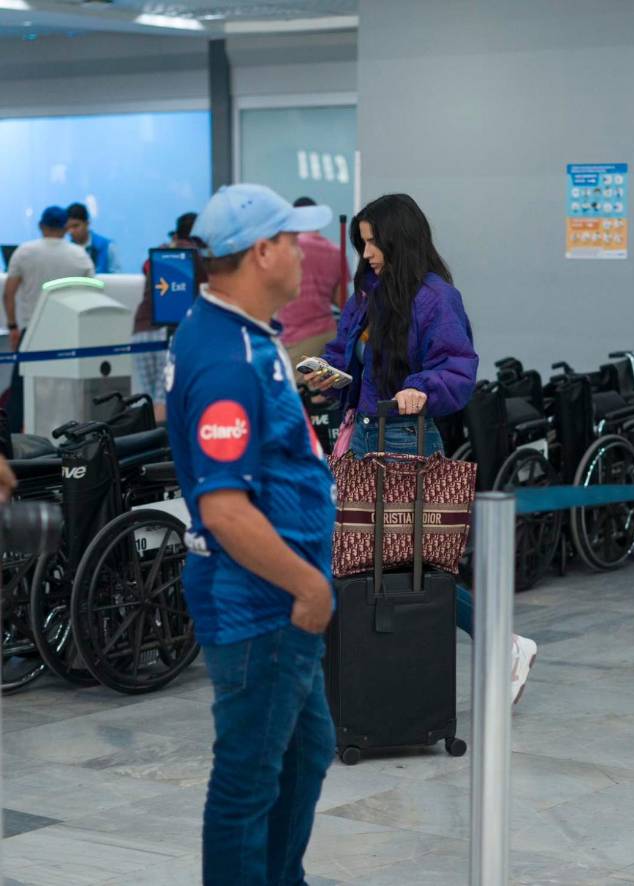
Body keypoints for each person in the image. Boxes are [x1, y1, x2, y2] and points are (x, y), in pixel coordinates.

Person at [165, 183, 336, 884]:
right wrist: (308, 586)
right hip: (261, 601)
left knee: (306, 750)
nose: (304, 255)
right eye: (293, 242)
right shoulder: (227, 360)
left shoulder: (240, 334)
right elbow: (226, 510)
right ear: (262, 252)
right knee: (248, 778)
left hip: (276, 597)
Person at [309, 192, 538, 704]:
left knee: (405, 563)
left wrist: (422, 389)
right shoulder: (366, 294)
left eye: (373, 243)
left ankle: (502, 644)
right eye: (362, 244)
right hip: (361, 435)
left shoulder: (436, 298)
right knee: (361, 559)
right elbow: (347, 357)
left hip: (405, 439)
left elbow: (457, 369)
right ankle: (355, 680)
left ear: (401, 239)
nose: (367, 254)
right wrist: (328, 375)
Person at [3, 206, 95, 432]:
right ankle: (69, 440)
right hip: (68, 334)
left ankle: (10, 444)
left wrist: (13, 326)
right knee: (66, 393)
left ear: (41, 225)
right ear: (65, 227)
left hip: (33, 332)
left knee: (20, 392)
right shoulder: (79, 254)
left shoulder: (25, 252)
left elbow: (9, 293)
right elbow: (91, 294)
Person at [135, 212, 206, 423]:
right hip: (170, 333)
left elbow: (145, 269)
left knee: (148, 399)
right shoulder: (197, 257)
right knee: (164, 398)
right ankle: (160, 442)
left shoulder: (160, 253)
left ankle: (146, 440)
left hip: (140, 331)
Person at [278, 197, 346, 369]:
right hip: (328, 337)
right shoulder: (336, 252)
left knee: (298, 386)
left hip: (295, 339)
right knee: (324, 384)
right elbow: (342, 301)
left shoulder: (290, 249)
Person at [65, 202, 120, 273]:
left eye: (75, 226)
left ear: (87, 223)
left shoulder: (108, 247)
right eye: (68, 227)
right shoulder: (66, 251)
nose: (71, 231)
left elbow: (117, 276)